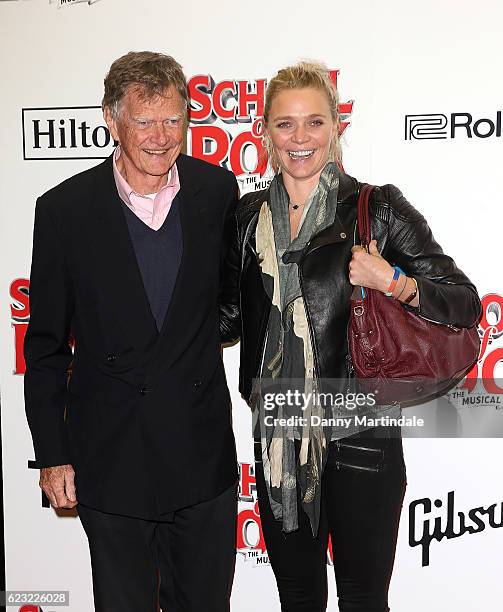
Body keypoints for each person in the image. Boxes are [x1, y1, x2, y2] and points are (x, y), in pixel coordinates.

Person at [220, 61, 481, 611]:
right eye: (285, 124)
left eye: (314, 123)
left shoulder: (376, 208)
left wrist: (394, 281)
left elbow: (463, 301)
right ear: (264, 131)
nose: (300, 139)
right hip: (280, 429)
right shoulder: (247, 217)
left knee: (363, 598)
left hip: (362, 431)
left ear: (337, 128)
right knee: (297, 596)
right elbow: (225, 317)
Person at [24, 51, 239, 612]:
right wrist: (53, 452)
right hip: (111, 460)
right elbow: (45, 345)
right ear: (111, 119)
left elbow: (227, 302)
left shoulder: (217, 191)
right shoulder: (64, 210)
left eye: (173, 119)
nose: (161, 136)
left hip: (200, 457)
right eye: (144, 120)